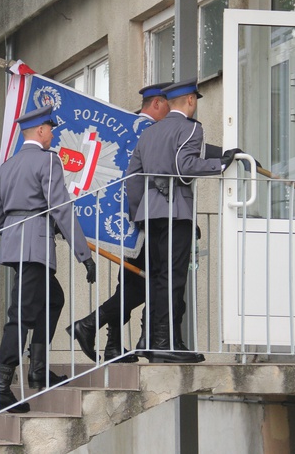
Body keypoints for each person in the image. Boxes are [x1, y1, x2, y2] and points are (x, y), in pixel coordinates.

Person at [0, 105, 96, 413]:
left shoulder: (6, 166)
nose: (53, 134)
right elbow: (60, 207)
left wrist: (14, 229)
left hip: (14, 243)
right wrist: (83, 254)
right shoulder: (48, 161)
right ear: (40, 131)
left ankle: (38, 369)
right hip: (35, 245)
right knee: (20, 315)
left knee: (53, 299)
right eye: (51, 129)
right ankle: (2, 388)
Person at [126, 78, 242, 363]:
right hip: (176, 210)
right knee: (173, 278)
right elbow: (184, 168)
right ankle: (166, 343)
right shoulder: (191, 128)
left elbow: (133, 179)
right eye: (196, 100)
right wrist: (220, 164)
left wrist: (138, 214)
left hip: (149, 213)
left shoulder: (150, 133)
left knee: (156, 277)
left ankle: (156, 340)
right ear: (190, 100)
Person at [67, 82, 172, 364]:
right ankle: (90, 324)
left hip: (121, 220)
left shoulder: (129, 130)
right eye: (169, 107)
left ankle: (113, 345)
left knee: (129, 284)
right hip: (142, 221)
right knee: (143, 284)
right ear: (158, 104)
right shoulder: (151, 132)